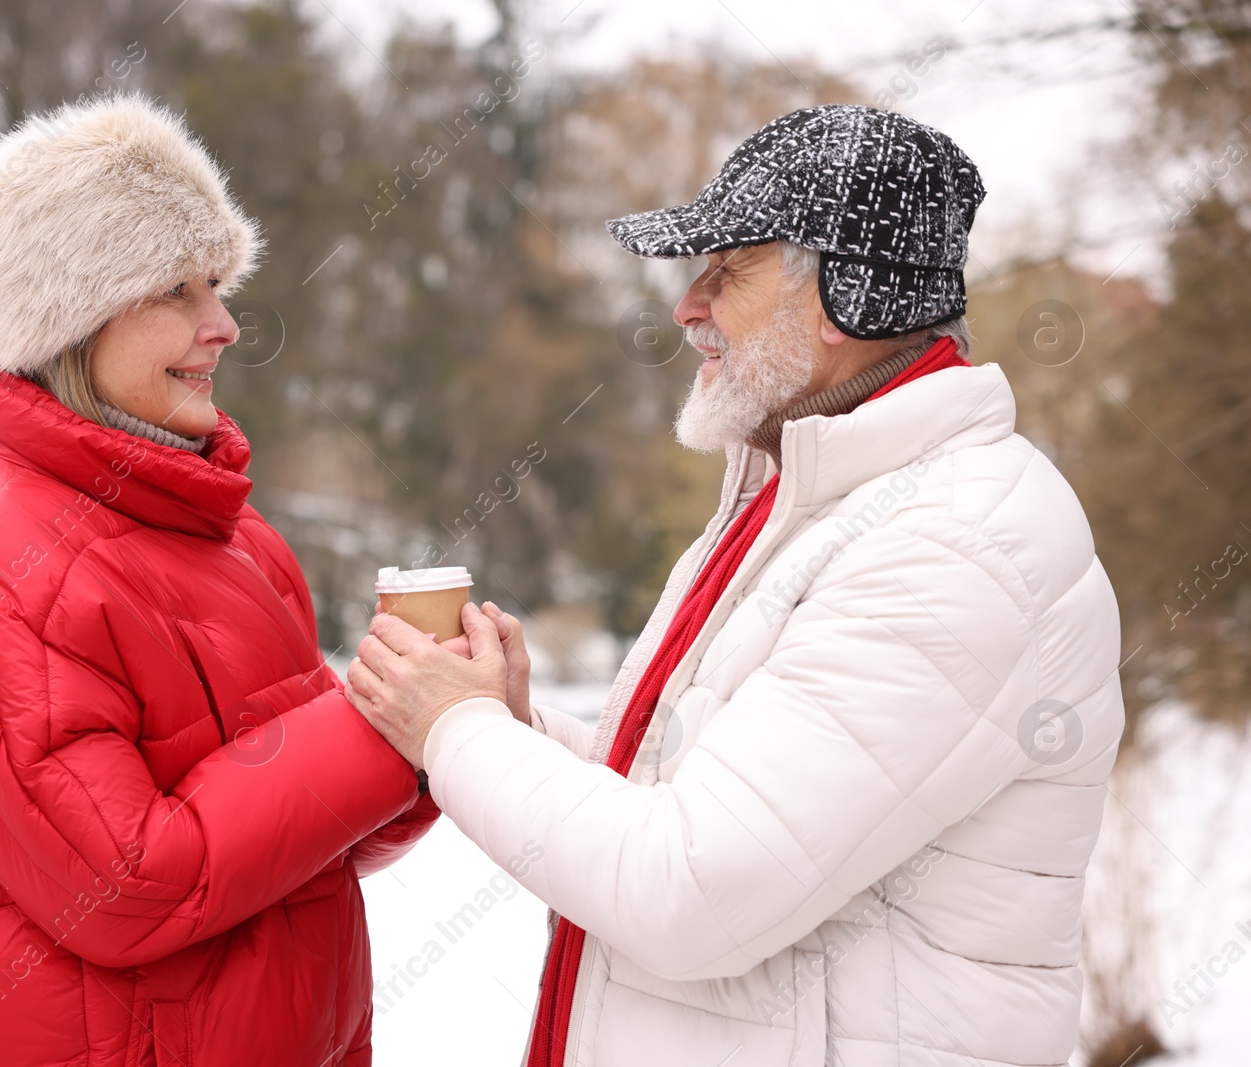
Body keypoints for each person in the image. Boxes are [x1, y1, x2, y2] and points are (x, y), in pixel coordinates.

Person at [346, 105, 1124, 1067]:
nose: (687, 307)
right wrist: (509, 729)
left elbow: (687, 890)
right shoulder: (809, 498)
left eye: (728, 271)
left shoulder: (957, 544)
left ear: (850, 297)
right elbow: (703, 803)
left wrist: (452, 733)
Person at [0, 94, 435, 1067]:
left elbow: (313, 848)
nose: (225, 326)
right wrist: (373, 728)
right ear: (66, 319)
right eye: (176, 290)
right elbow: (125, 885)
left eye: (216, 283)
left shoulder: (238, 541)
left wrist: (425, 725)